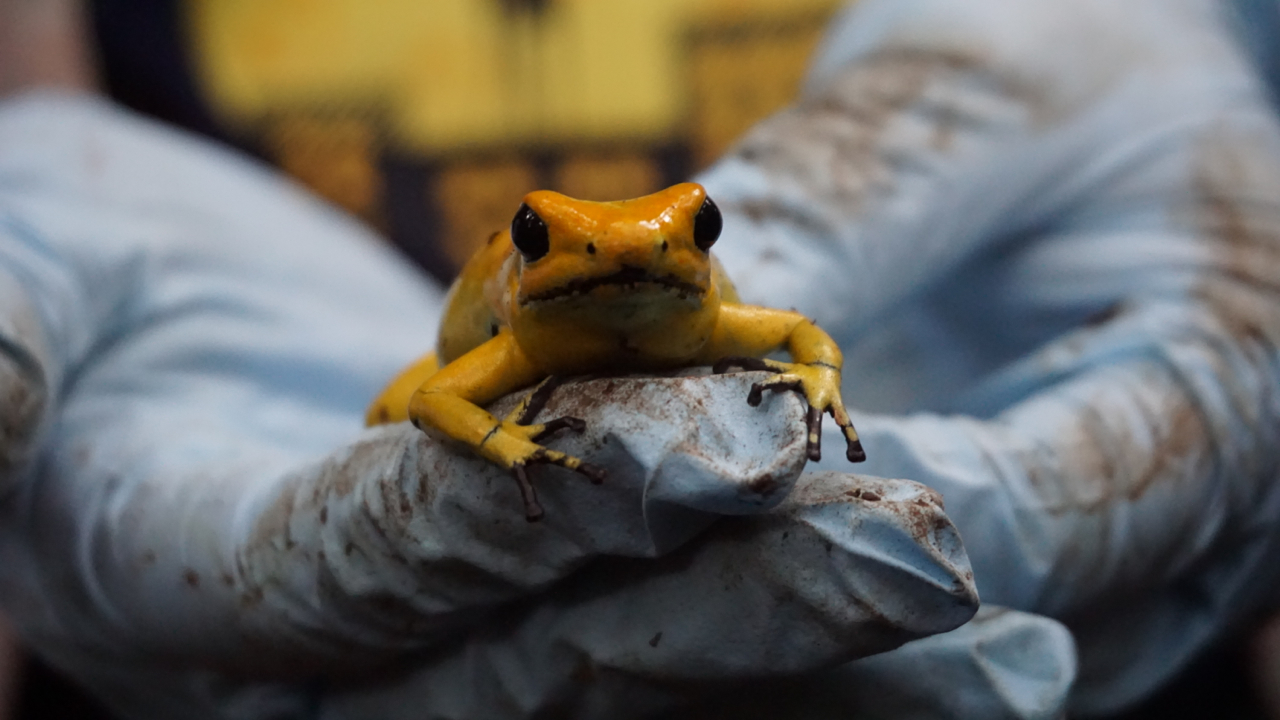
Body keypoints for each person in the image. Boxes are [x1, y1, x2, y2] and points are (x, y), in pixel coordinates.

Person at [0, 1, 1277, 719]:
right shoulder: (519, 334)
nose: (638, 253)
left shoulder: (718, 314)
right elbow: (432, 393)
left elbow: (795, 334)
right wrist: (40, 135)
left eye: (697, 229)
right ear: (526, 256)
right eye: (547, 241)